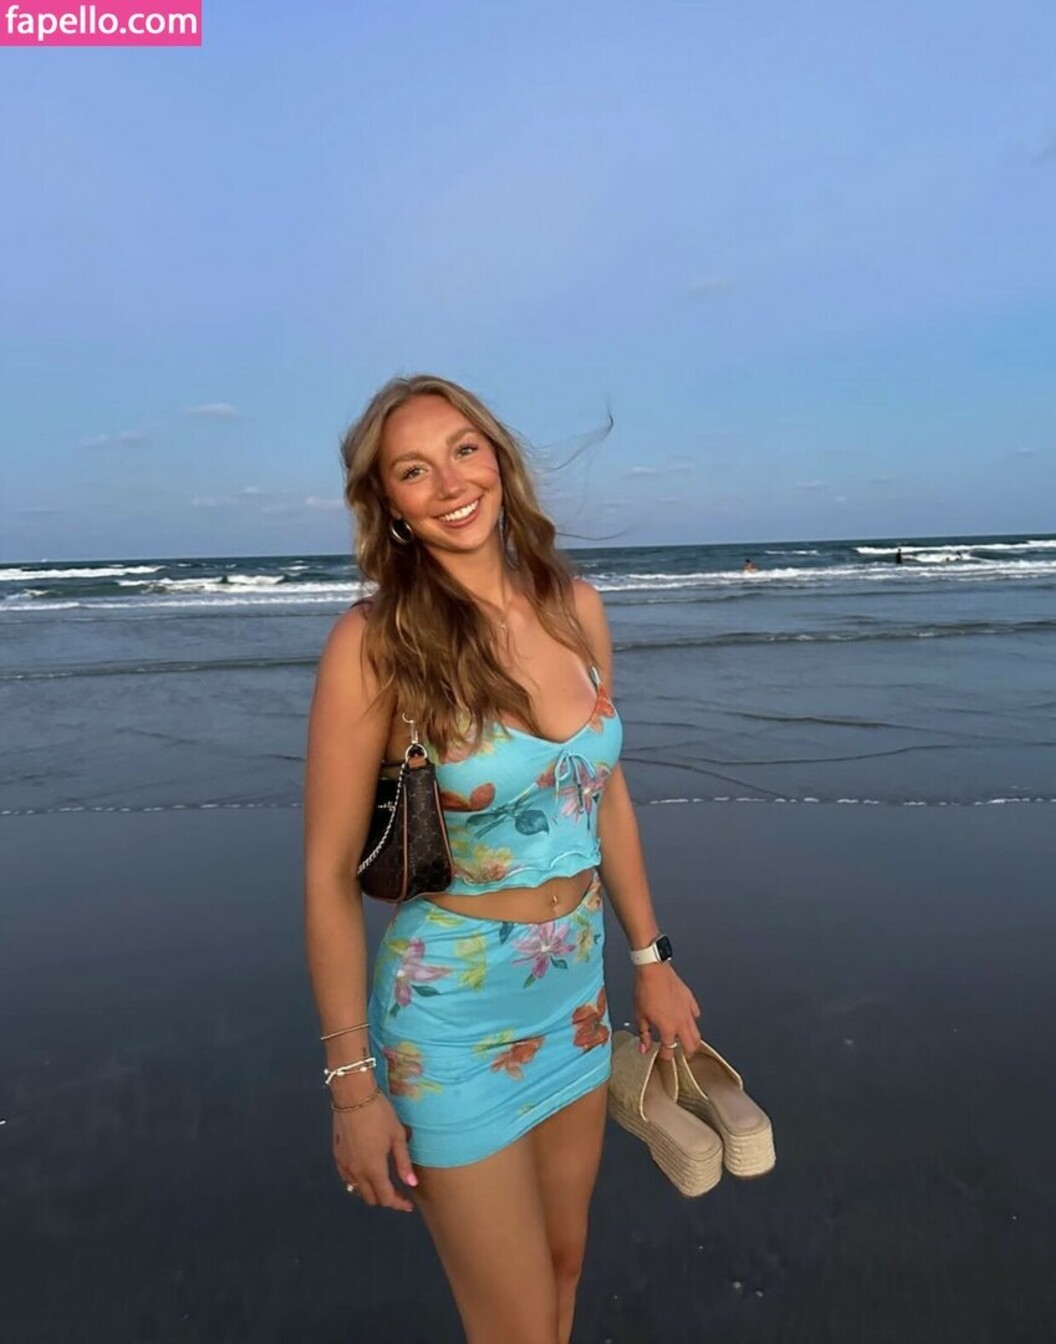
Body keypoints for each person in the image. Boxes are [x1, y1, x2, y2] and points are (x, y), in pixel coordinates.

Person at [303, 374, 703, 1344]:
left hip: (575, 998)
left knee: (563, 1271)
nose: (449, 484)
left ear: (499, 458)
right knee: (514, 1324)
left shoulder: (575, 609)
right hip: (451, 1022)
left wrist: (651, 959)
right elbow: (325, 877)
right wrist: (352, 1085)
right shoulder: (375, 644)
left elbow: (603, 793)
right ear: (388, 506)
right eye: (413, 471)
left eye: (463, 451)